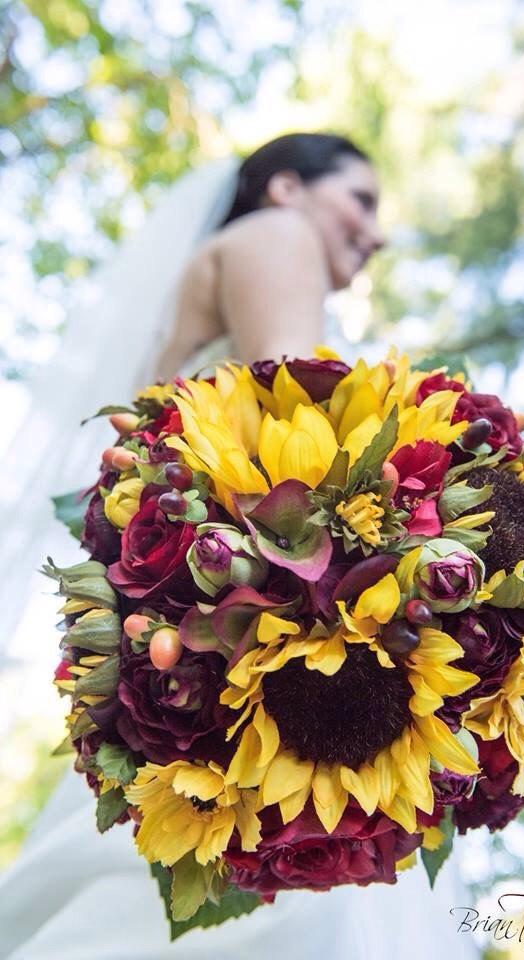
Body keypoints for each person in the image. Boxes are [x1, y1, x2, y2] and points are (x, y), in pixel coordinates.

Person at [0, 133, 479, 959]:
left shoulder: (212, 278)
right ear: (287, 187)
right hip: (256, 674)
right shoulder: (276, 235)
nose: (375, 233)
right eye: (361, 201)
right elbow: (302, 441)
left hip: (200, 684)